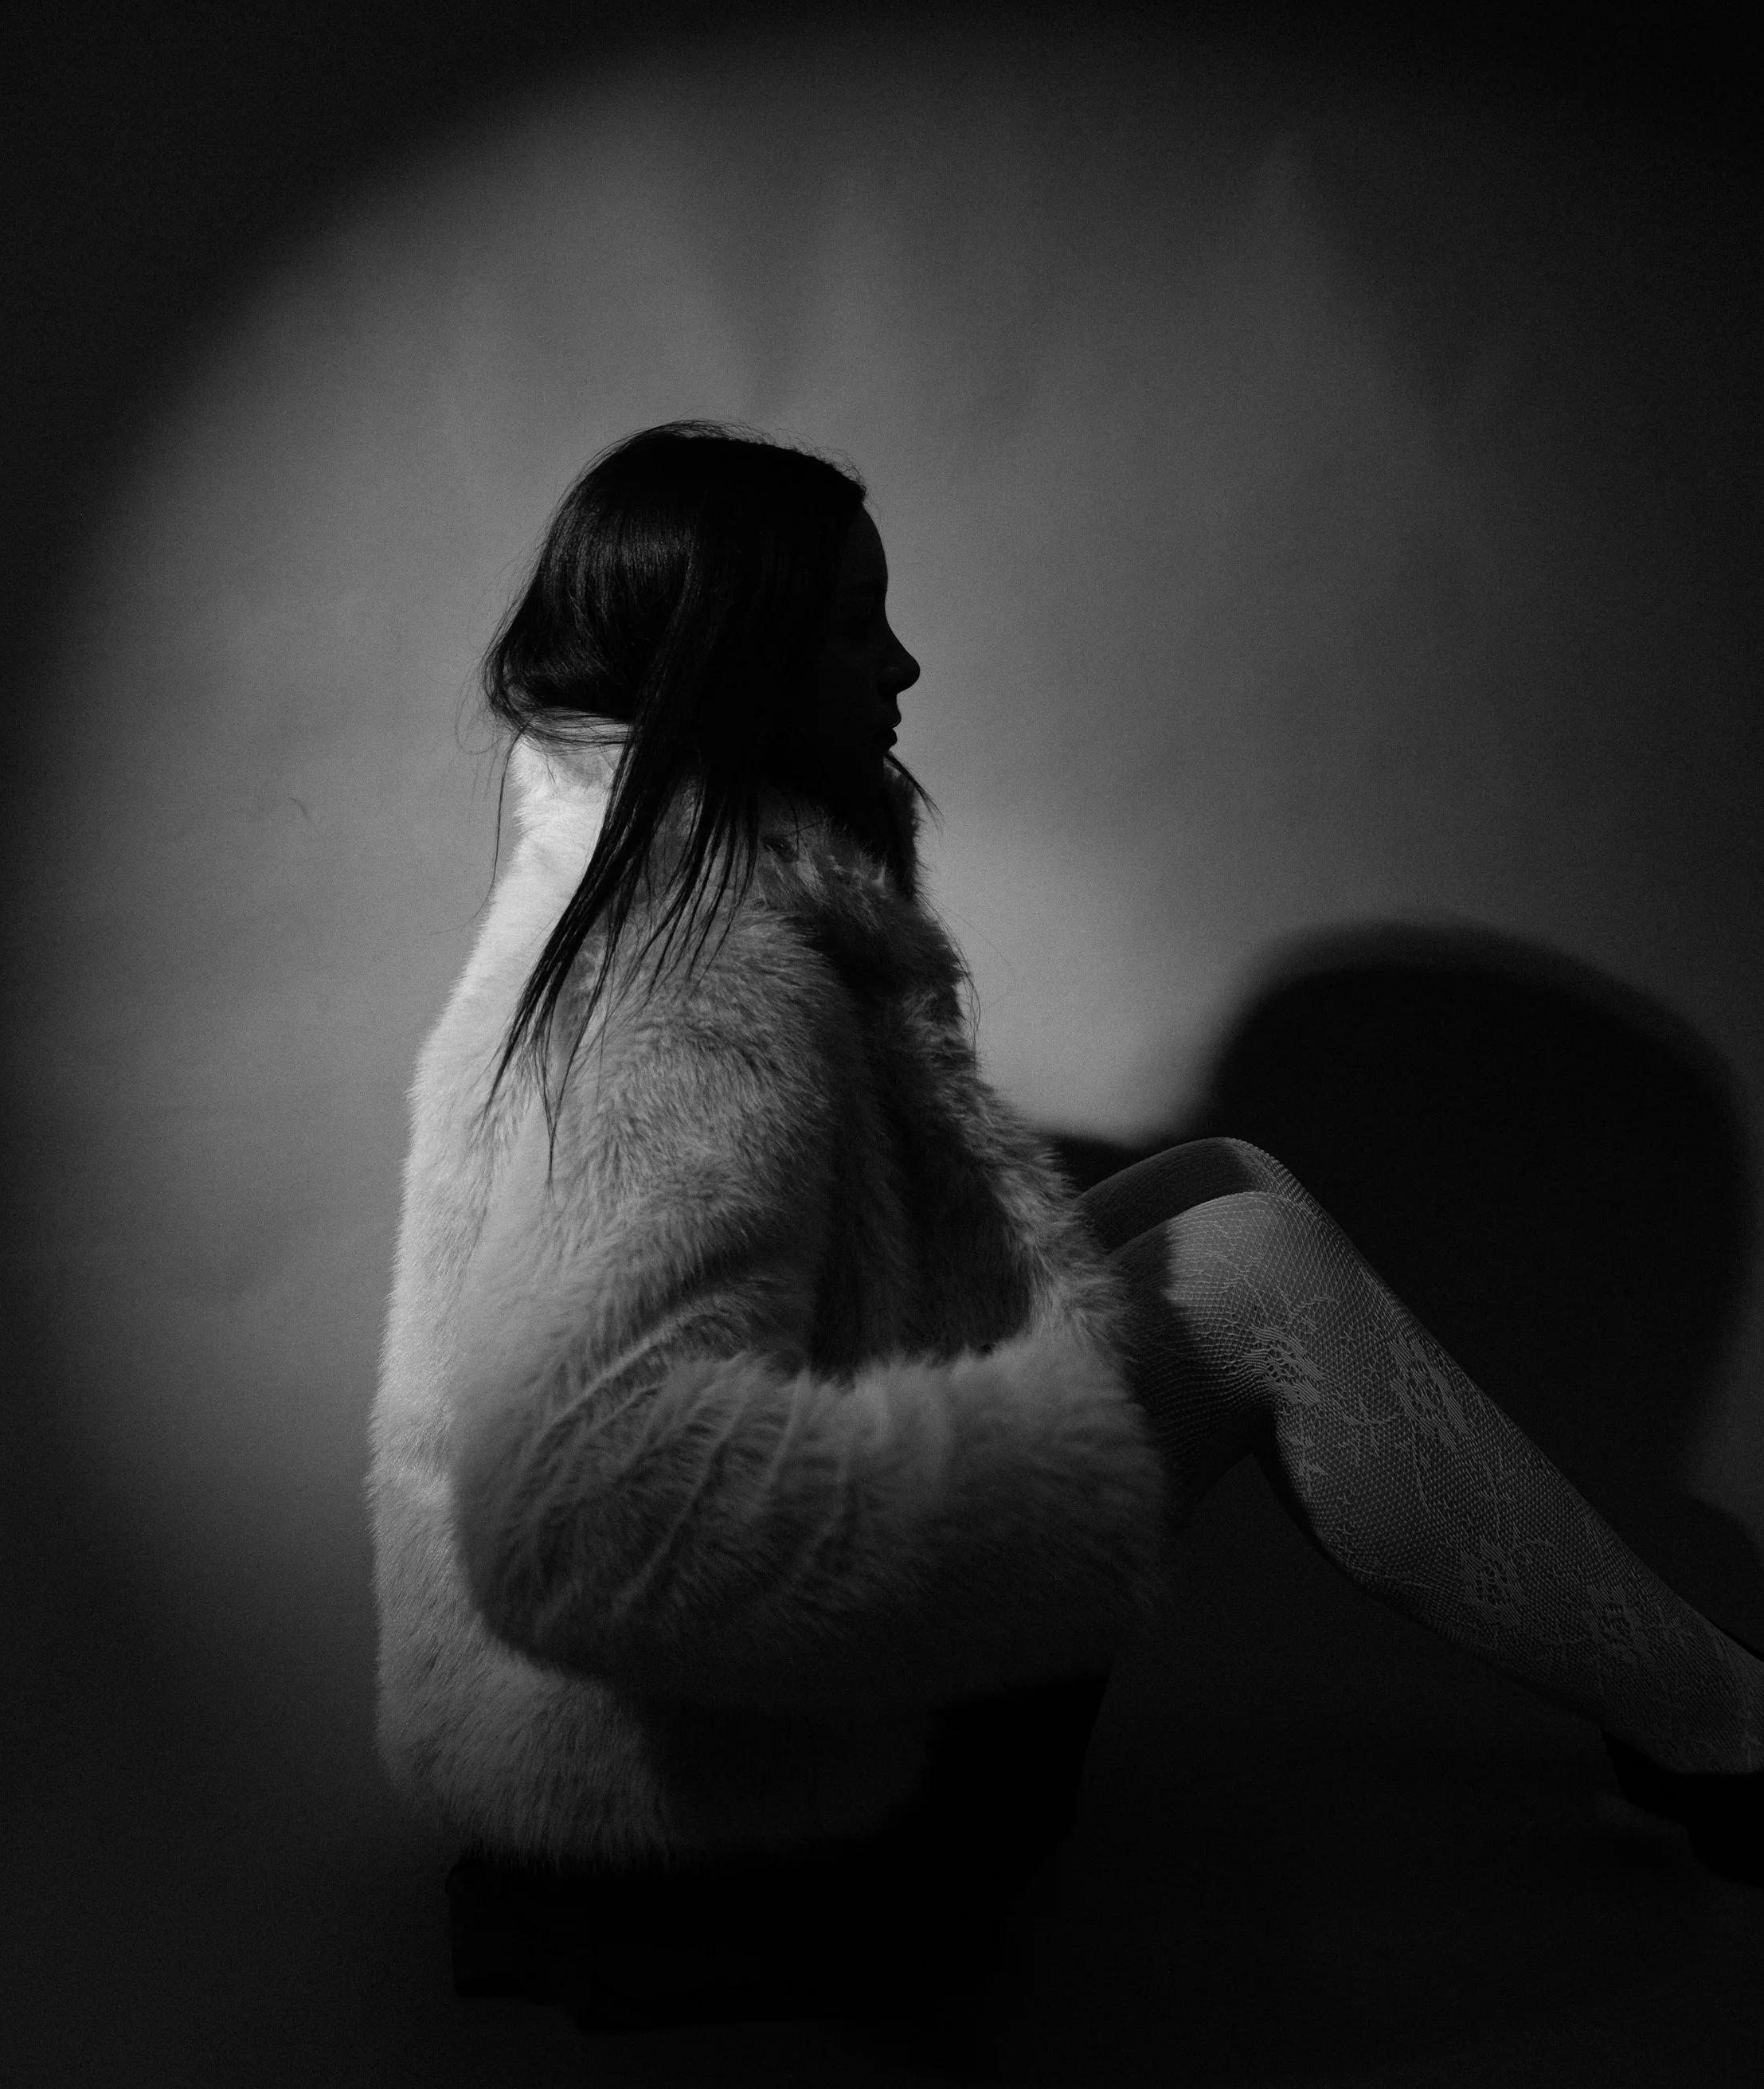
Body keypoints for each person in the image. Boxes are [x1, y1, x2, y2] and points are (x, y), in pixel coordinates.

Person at [368, 422, 1764, 2032]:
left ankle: (1702, 1717)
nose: (904, 663)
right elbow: (585, 1522)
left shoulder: (654, 879)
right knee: (1244, 1277)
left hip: (646, 1739)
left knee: (1220, 1188)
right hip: (697, 1810)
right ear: (733, 660)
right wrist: (1035, 1493)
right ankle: (1731, 1738)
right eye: (853, 626)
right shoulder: (688, 983)